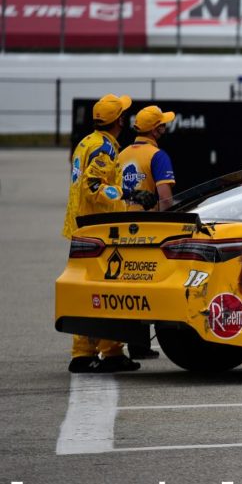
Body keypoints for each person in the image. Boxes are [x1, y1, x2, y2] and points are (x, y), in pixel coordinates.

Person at [63, 94, 143, 373]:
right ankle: (110, 352)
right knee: (110, 291)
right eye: (123, 113)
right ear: (119, 120)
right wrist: (128, 193)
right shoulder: (104, 149)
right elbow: (93, 187)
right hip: (100, 230)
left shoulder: (86, 142)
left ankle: (83, 353)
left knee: (87, 292)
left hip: (82, 227)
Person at [118, 105, 178, 359]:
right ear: (156, 129)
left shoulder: (121, 155)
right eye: (163, 124)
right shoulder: (157, 155)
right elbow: (165, 199)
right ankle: (141, 346)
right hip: (147, 228)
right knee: (148, 283)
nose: (165, 127)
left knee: (128, 284)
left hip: (120, 226)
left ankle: (135, 343)